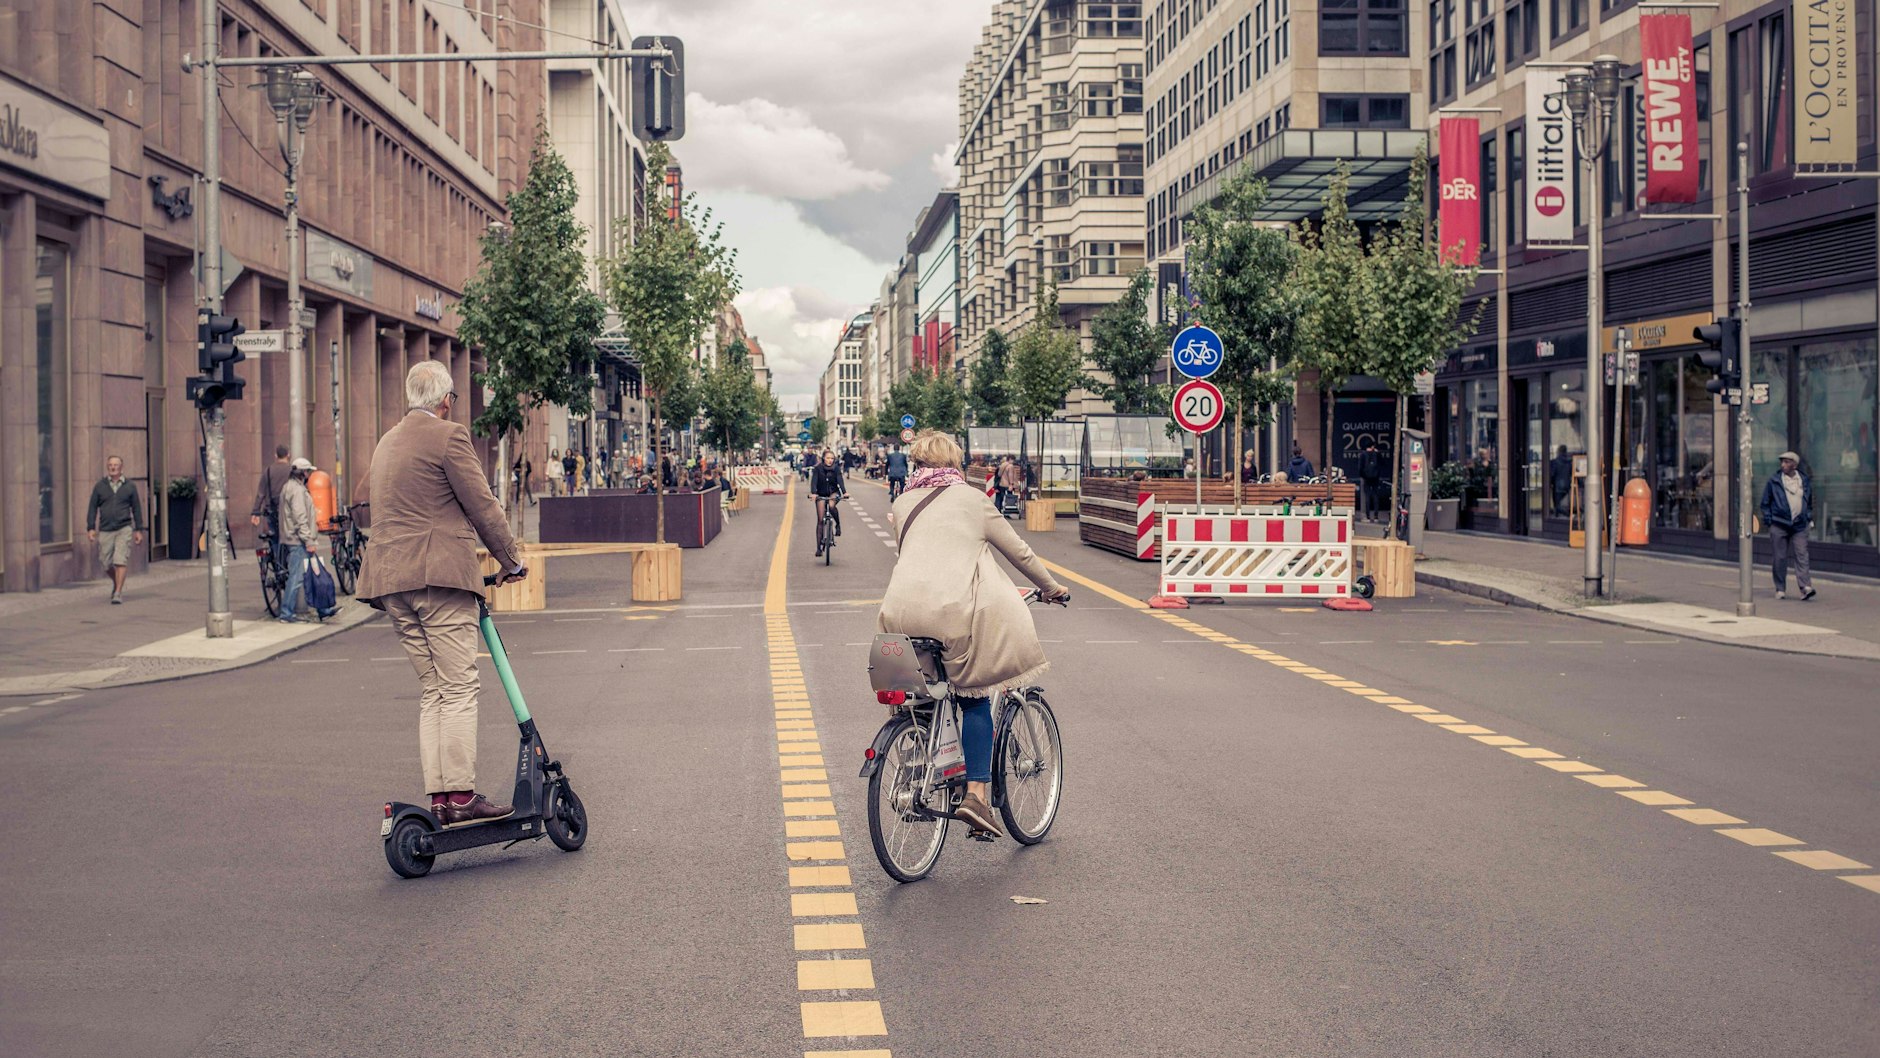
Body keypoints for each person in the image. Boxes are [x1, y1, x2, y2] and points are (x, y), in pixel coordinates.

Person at [357, 361, 529, 827]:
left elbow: (374, 505)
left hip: (391, 581)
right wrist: (511, 561)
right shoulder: (449, 437)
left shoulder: (386, 442)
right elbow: (482, 505)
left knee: (434, 688)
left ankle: (441, 797)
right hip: (438, 578)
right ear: (446, 401)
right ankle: (462, 796)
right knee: (458, 687)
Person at [878, 431, 1070, 838]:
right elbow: (1018, 552)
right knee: (975, 696)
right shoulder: (973, 500)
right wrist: (1052, 587)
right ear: (954, 463)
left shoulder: (902, 501)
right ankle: (976, 797)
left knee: (919, 694)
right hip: (950, 614)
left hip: (898, 614)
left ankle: (916, 765)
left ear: (917, 464)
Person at [277, 458, 338, 624]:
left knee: (313, 573)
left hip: (298, 539)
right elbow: (300, 517)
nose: (310, 475)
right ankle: (286, 613)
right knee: (297, 578)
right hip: (299, 541)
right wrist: (308, 540)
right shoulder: (297, 490)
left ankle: (323, 609)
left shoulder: (289, 487)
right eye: (308, 471)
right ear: (303, 473)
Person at [85, 455, 145, 604]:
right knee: (105, 562)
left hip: (124, 528)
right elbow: (92, 507)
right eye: (110, 465)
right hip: (106, 529)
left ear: (121, 468)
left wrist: (138, 530)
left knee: (120, 560)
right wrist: (91, 528)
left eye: (116, 465)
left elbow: (136, 508)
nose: (113, 467)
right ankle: (116, 581)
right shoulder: (100, 486)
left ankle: (117, 592)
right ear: (107, 467)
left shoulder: (130, 486)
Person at [1759, 451, 1818, 601]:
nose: (1783, 465)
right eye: (1782, 462)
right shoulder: (1774, 481)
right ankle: (1780, 588)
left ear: (1794, 465)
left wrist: (1808, 516)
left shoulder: (1804, 480)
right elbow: (1765, 503)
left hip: (1799, 525)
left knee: (1802, 555)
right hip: (1779, 524)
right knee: (1779, 558)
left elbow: (1809, 501)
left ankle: (1805, 587)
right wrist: (1770, 520)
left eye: (1786, 462)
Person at [251, 443, 295, 556]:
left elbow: (261, 493)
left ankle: (277, 558)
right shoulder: (292, 471)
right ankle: (287, 559)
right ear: (288, 454)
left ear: (276, 455)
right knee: (291, 537)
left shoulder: (268, 471)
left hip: (272, 510)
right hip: (289, 511)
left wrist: (256, 512)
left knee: (275, 537)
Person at [810, 449, 846, 555]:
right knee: (820, 520)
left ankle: (838, 524)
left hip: (833, 493)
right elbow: (814, 482)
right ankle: (818, 548)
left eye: (832, 458)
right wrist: (814, 493)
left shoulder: (836, 469)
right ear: (823, 458)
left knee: (831, 505)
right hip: (820, 494)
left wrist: (845, 492)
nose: (830, 460)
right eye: (828, 458)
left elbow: (840, 481)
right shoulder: (817, 468)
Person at [1357, 439, 1385, 523]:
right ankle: (1376, 516)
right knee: (1375, 496)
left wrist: (1363, 476)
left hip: (1366, 478)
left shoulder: (1363, 454)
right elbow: (1382, 464)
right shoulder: (1376, 454)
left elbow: (1360, 467)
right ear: (1372, 446)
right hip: (1375, 478)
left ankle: (1368, 516)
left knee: (1367, 496)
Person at [1549, 445, 1573, 517]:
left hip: (1557, 486)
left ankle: (1561, 515)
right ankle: (1563, 514)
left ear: (1558, 451)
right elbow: (1574, 472)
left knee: (1557, 504)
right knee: (1562, 503)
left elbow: (1552, 474)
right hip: (1567, 486)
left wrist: (1550, 483)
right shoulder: (1569, 462)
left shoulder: (1554, 462)